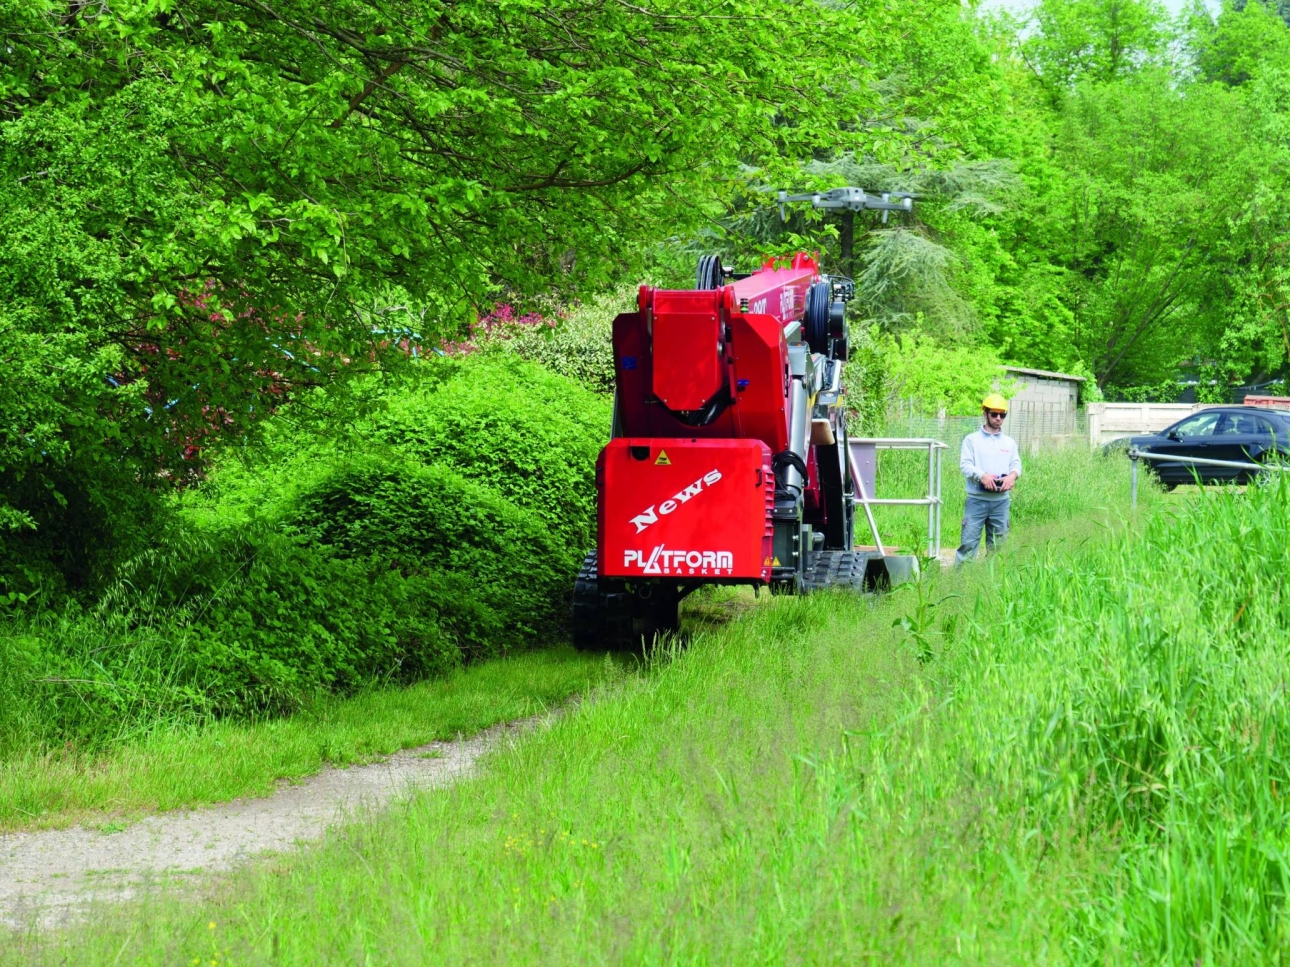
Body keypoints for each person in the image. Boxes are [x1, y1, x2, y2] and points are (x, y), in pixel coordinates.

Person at [956, 393, 1021, 565]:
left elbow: (1016, 465)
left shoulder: (1009, 443)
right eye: (994, 414)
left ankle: (993, 585)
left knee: (998, 549)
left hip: (1001, 503)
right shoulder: (971, 440)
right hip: (976, 501)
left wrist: (1012, 476)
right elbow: (965, 465)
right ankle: (960, 584)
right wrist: (982, 475)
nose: (998, 418)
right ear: (985, 413)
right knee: (968, 546)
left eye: (1002, 414)